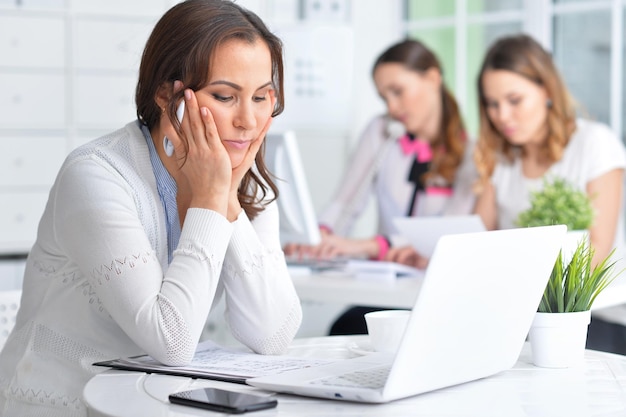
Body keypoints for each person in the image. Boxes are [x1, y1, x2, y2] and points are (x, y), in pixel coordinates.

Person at [0, 1, 303, 415]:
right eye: (224, 96)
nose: (248, 121)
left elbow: (273, 336)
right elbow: (172, 341)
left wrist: (228, 197)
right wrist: (212, 198)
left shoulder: (242, 185)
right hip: (61, 406)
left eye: (262, 97)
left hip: (155, 403)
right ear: (167, 94)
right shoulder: (97, 175)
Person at [287, 39, 477, 334]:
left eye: (398, 92)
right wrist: (320, 236)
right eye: (383, 97)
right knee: (345, 328)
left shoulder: (471, 153)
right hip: (388, 291)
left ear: (433, 78)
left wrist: (368, 245)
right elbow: (345, 202)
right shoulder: (381, 133)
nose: (391, 106)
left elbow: (445, 236)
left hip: (439, 295)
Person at [473, 33, 626, 354]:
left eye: (514, 101)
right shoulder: (501, 160)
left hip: (592, 315)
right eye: (492, 104)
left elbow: (597, 253)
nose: (501, 115)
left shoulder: (594, 144)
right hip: (522, 312)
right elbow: (477, 238)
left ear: (547, 91)